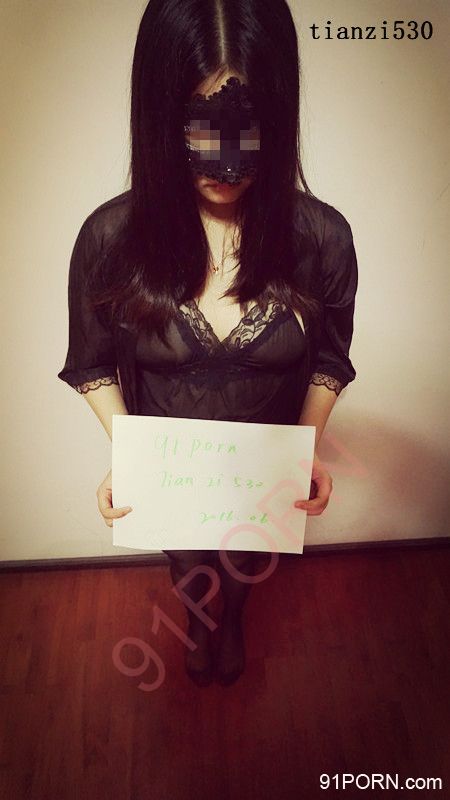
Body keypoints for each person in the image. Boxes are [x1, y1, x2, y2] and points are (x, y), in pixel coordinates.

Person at [57, 0, 358, 688]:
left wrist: (306, 449)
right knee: (190, 561)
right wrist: (131, 455)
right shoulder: (110, 239)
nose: (226, 165)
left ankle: (236, 617)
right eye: (201, 129)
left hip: (263, 471)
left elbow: (331, 357)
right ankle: (197, 620)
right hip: (173, 470)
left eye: (248, 128)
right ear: (160, 121)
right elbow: (92, 361)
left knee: (244, 561)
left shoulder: (322, 240)